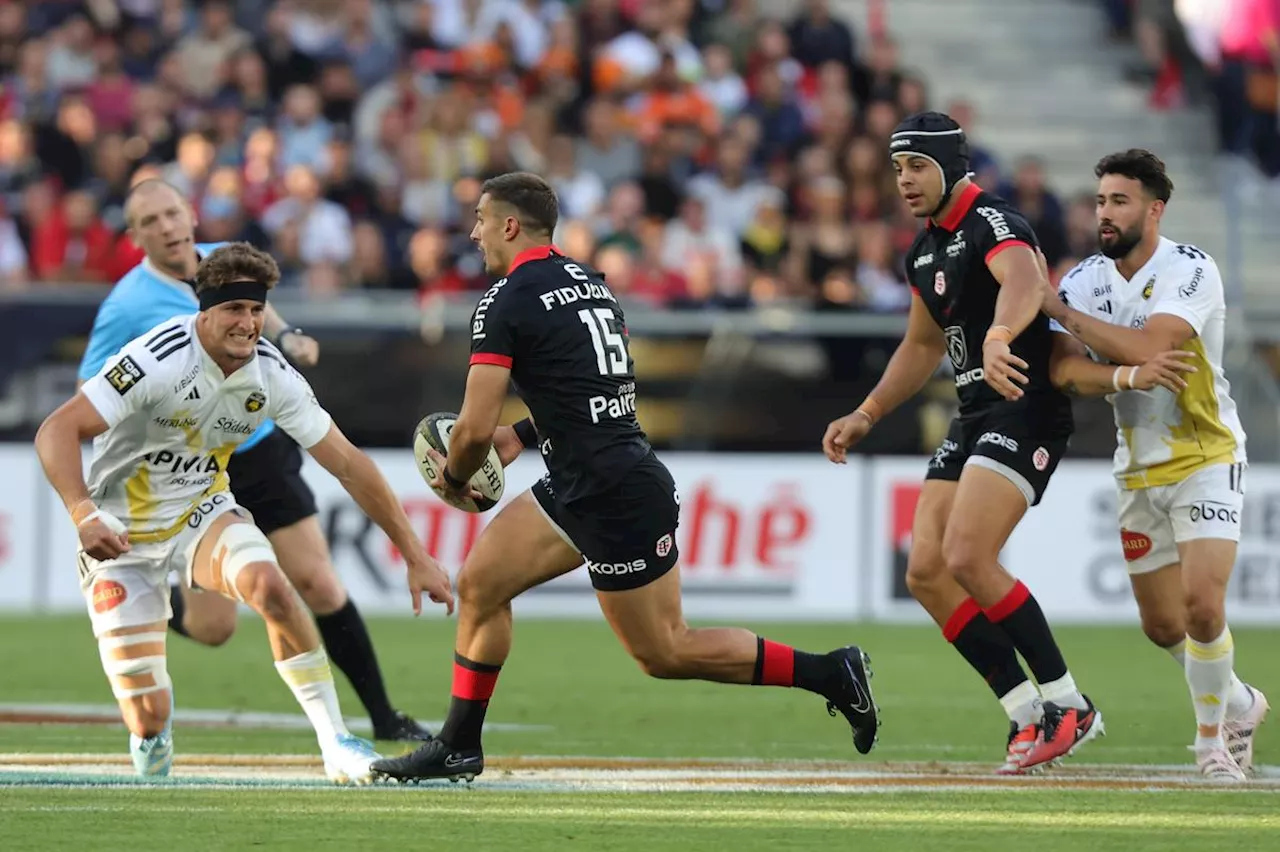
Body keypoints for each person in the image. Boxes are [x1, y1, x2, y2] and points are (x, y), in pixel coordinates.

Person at [370, 172, 880, 783]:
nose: (474, 233)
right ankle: (458, 745)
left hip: (610, 492)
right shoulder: (588, 283)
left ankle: (829, 671)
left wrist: (457, 476)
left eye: (481, 219)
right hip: (589, 477)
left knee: (665, 651)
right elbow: (595, 392)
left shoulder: (504, 300)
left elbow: (472, 429)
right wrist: (524, 436)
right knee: (481, 587)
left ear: (510, 225)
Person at [34, 243, 455, 781]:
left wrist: (415, 553)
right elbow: (57, 430)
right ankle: (152, 736)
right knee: (147, 712)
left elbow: (348, 463)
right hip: (119, 532)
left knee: (270, 584)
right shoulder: (154, 360)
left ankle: (336, 742)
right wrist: (83, 513)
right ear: (204, 312)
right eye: (235, 310)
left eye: (257, 310)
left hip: (199, 512)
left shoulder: (271, 374)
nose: (249, 323)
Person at [822, 111, 1102, 775]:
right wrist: (868, 411)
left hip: (1024, 404)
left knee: (968, 555)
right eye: (897, 169)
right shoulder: (924, 250)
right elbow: (921, 346)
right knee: (925, 572)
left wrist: (1001, 337)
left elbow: (1027, 282)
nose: (904, 180)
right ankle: (1024, 712)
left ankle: (1069, 703)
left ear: (950, 165)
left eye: (916, 165)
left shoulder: (995, 222)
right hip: (974, 412)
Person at [1044, 149, 1268, 782]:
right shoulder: (1087, 279)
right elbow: (1064, 370)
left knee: (1201, 606)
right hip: (1138, 468)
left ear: (1154, 208)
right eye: (1100, 202)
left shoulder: (1191, 270)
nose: (1105, 214)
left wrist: (1063, 314)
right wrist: (1123, 373)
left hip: (1206, 454)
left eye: (1119, 201)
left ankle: (1211, 747)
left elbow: (1151, 343)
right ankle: (1242, 702)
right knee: (1162, 623)